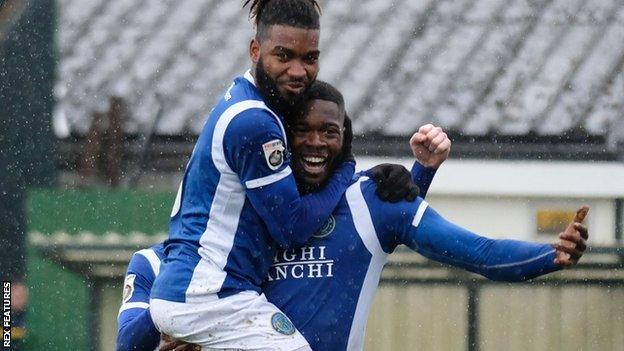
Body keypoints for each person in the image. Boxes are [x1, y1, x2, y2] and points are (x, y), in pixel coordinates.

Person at [148, 1, 417, 349]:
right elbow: (293, 226)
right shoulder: (256, 122)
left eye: (309, 58)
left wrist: (361, 178)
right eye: (284, 55)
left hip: (199, 292)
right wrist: (346, 168)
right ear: (255, 50)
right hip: (208, 295)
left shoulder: (245, 99)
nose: (298, 71)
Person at [261, 81, 589, 350]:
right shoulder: (253, 201)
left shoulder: (371, 198)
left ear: (344, 137)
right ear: (281, 136)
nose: (315, 143)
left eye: (329, 132)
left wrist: (550, 255)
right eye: (301, 130)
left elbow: (481, 253)